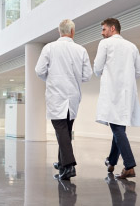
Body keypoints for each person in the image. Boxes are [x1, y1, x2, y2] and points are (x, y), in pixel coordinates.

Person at [35, 19, 92, 180]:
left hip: (56, 96)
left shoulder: (49, 48)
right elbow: (87, 75)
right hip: (73, 97)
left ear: (59, 32)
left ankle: (69, 166)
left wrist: (51, 79)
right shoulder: (81, 50)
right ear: (73, 32)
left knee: (61, 132)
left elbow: (39, 70)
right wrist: (73, 78)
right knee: (65, 132)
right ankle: (62, 164)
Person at [94, 18, 140, 179]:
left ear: (113, 28)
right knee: (119, 129)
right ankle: (111, 161)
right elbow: (138, 71)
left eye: (104, 29)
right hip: (127, 94)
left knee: (117, 129)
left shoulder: (105, 44)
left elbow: (97, 68)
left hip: (112, 93)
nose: (102, 33)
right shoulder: (132, 47)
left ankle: (129, 165)